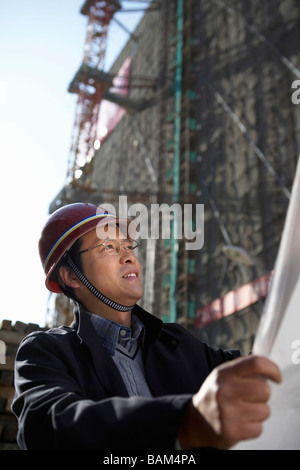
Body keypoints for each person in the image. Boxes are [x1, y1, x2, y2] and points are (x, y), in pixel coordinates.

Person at [12, 202, 282, 450]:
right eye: (108, 247)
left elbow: (256, 369)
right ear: (71, 275)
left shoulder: (177, 342)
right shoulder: (47, 352)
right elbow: (49, 429)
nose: (129, 257)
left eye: (128, 246)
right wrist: (185, 422)